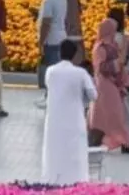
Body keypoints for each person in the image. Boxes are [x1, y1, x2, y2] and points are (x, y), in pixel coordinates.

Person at [41, 39, 97, 184]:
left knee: (54, 150)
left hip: (54, 120)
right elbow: (93, 95)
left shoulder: (50, 71)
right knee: (75, 152)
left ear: (60, 53)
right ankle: (75, 182)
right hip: (74, 119)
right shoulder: (81, 73)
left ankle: (53, 179)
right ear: (75, 55)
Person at [90, 18, 129, 150]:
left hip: (112, 84)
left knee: (111, 115)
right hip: (105, 85)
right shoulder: (100, 47)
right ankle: (124, 143)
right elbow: (101, 67)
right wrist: (117, 63)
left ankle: (124, 142)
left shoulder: (112, 45)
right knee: (112, 115)